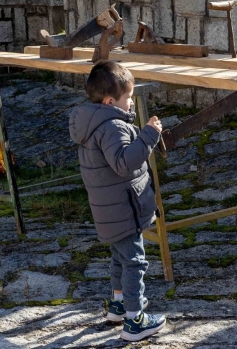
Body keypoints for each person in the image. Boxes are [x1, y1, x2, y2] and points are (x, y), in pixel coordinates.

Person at [69, 60, 166, 341]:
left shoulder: (93, 121)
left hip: (109, 208)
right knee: (135, 262)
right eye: (128, 99)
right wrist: (149, 134)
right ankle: (135, 321)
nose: (131, 103)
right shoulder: (112, 126)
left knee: (119, 259)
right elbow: (124, 163)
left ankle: (119, 305)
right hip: (123, 208)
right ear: (111, 101)